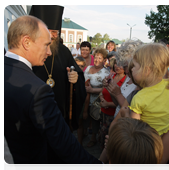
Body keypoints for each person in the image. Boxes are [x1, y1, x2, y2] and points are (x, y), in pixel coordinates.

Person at [4, 15, 105, 170]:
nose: (49, 52)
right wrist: (100, 168)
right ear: (26, 42)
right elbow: (63, 142)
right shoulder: (38, 90)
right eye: (46, 45)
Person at [29, 5, 87, 170]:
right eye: (49, 31)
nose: (53, 36)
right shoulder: (30, 52)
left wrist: (75, 78)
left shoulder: (63, 51)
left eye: (56, 32)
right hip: (36, 114)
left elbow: (78, 73)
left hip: (60, 113)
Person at [129, 43, 169, 135]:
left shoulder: (139, 98)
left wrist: (125, 114)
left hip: (146, 140)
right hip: (165, 135)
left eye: (134, 66)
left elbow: (133, 127)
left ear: (146, 70)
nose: (132, 69)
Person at [84, 48, 110, 147]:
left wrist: (92, 90)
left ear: (104, 60)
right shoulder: (87, 68)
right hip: (85, 98)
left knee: (95, 119)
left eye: (100, 58)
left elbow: (106, 89)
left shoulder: (106, 73)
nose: (97, 60)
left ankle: (93, 138)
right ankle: (84, 133)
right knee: (85, 117)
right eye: (95, 57)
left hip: (97, 100)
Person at [98, 57, 126, 150]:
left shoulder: (126, 81)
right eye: (116, 63)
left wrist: (107, 104)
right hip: (104, 111)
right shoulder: (111, 77)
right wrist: (102, 99)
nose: (118, 66)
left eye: (121, 64)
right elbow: (102, 90)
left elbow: (125, 103)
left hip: (113, 113)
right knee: (102, 133)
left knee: (111, 136)